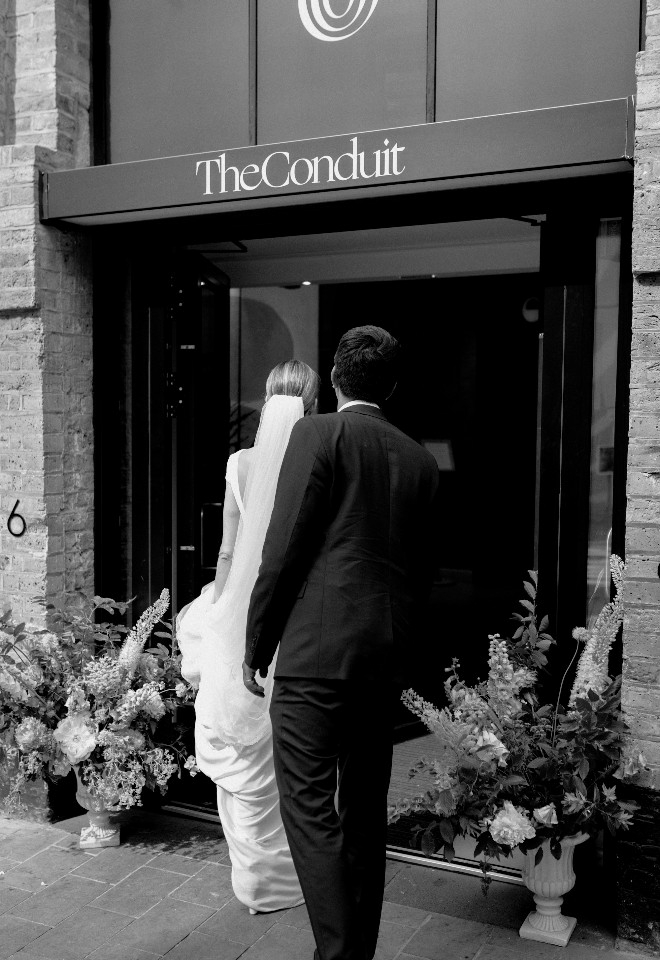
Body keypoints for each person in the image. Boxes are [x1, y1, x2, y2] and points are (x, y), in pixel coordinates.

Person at [243, 326, 441, 960]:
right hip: (380, 663)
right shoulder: (420, 460)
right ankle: (357, 952)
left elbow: (284, 547)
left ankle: (341, 955)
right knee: (361, 818)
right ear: (392, 386)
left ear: (333, 378)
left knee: (307, 810)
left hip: (313, 656)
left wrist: (257, 645)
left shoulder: (317, 433)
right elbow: (421, 576)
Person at [177, 359, 320, 914]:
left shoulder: (240, 463)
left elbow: (229, 552)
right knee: (288, 750)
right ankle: (294, 878)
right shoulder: (317, 460)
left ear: (266, 402)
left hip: (242, 614)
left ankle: (255, 884)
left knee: (238, 747)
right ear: (312, 406)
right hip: (296, 619)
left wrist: (220, 611)